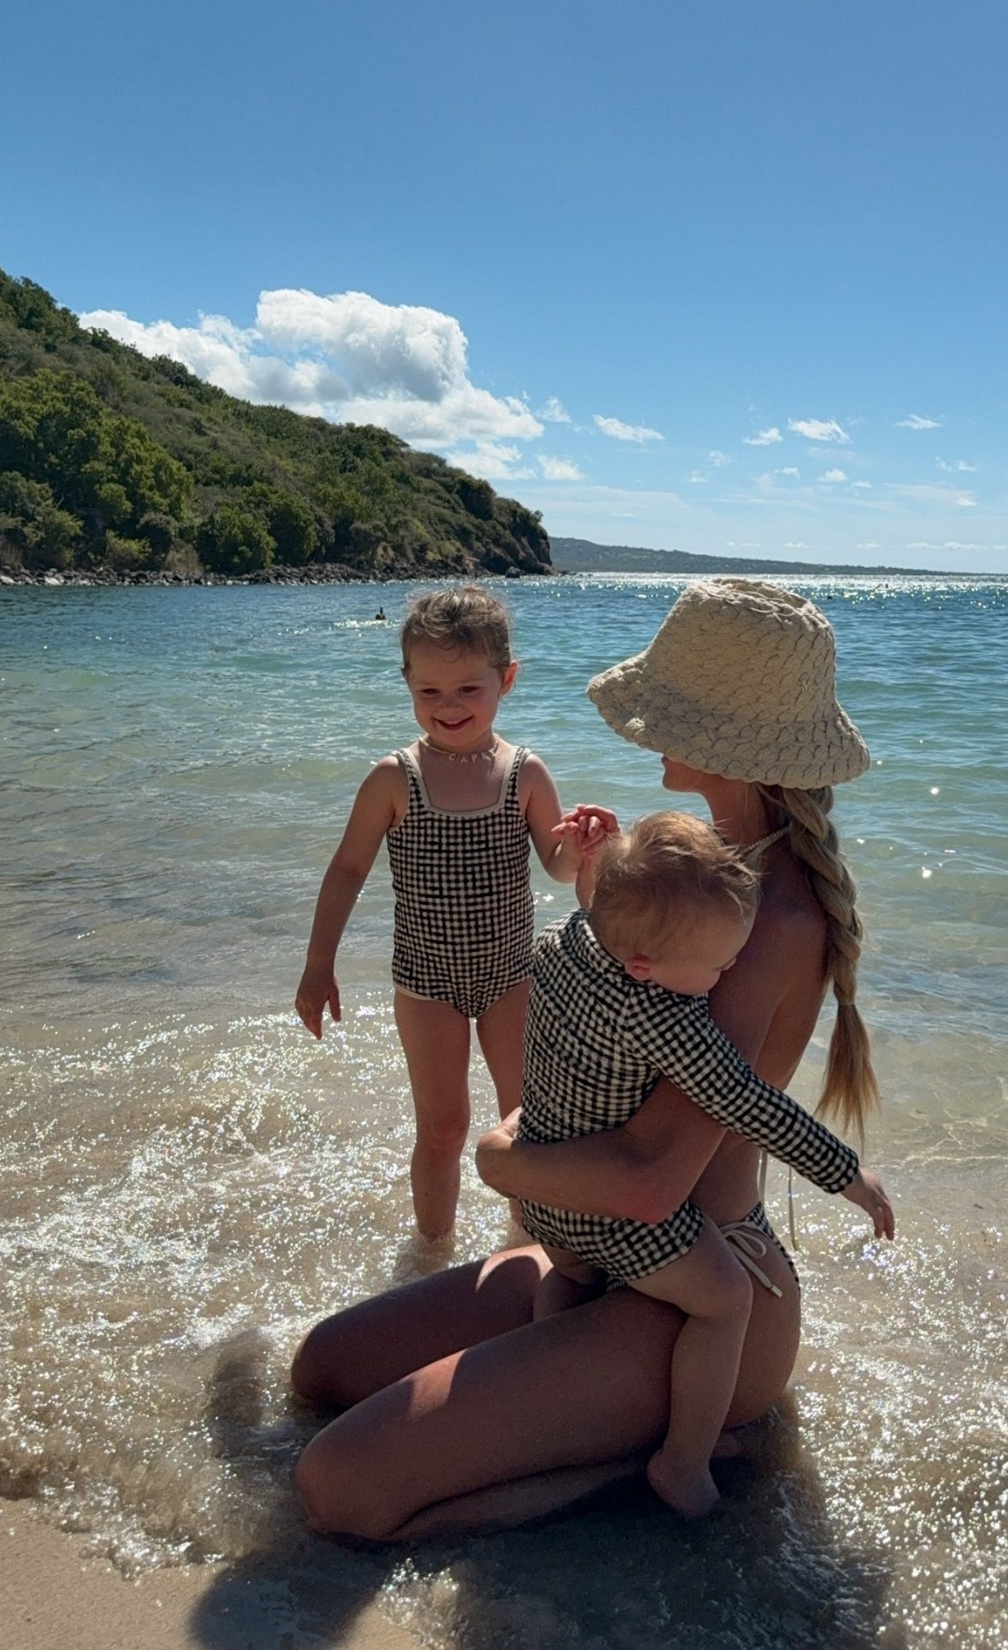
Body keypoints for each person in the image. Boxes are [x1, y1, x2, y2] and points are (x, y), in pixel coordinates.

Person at [292, 578, 895, 1540]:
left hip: (694, 1288)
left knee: (341, 1487)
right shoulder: (693, 863)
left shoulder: (759, 919)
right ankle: (599, 1431)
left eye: (669, 707)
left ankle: (648, 1463)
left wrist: (500, 1160)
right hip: (604, 1255)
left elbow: (656, 1182)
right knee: (319, 1368)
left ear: (732, 741)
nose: (644, 725)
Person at [521, 810, 865, 1517]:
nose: (727, 974)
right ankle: (684, 1459)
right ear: (646, 966)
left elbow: (597, 919)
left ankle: (539, 1363)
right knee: (726, 1298)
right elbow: (746, 1101)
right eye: (715, 965)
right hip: (610, 1213)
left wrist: (597, 876)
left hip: (543, 1192)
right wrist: (847, 1174)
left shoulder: (562, 941)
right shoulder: (666, 1019)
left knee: (569, 1275)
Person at [294, 585, 601, 1241]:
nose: (449, 707)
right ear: (406, 683)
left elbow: (558, 867)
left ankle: (527, 1245)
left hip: (512, 975)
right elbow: (348, 868)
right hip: (426, 981)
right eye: (429, 692)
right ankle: (431, 1252)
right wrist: (319, 965)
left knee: (525, 1121)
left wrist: (581, 850)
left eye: (469, 689)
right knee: (442, 1128)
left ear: (506, 681)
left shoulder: (524, 774)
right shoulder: (393, 779)